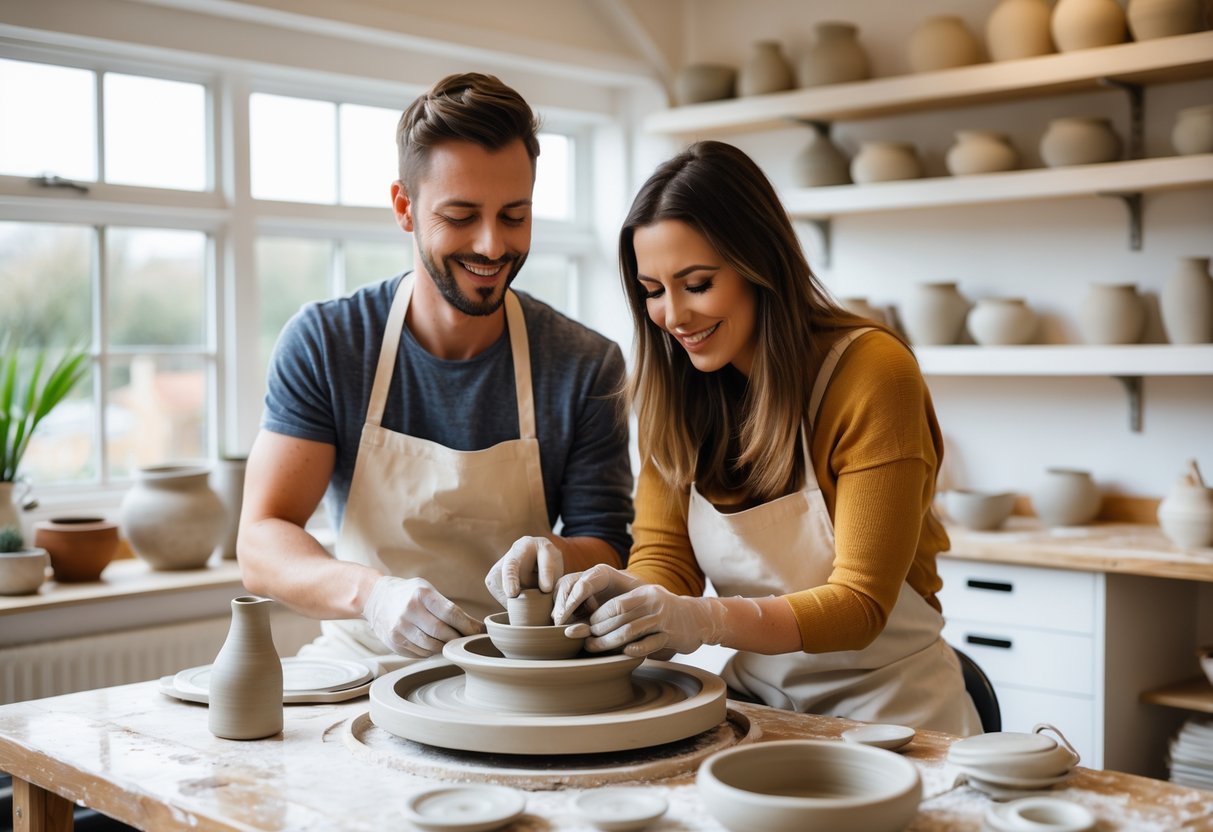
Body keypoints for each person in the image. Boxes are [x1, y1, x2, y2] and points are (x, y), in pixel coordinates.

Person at [552, 140, 981, 735]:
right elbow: (667, 561)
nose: (672, 316)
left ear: (759, 263)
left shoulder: (870, 374)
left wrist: (701, 621)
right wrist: (621, 599)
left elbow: (860, 605)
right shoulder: (673, 389)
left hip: (895, 708)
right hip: (761, 701)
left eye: (697, 283)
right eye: (653, 290)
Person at [238, 72, 633, 669]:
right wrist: (372, 595)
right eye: (461, 215)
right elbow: (261, 540)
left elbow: (607, 545)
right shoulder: (328, 343)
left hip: (522, 672)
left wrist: (552, 555)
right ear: (405, 207)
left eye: (514, 215)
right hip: (361, 665)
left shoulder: (584, 363)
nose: (493, 245)